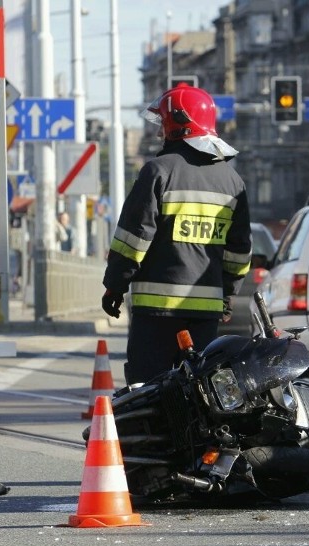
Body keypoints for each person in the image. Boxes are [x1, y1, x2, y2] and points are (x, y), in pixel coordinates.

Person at [102, 83, 252, 385]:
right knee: (199, 391)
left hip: (157, 313)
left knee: (149, 388)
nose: (160, 133)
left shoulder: (158, 172)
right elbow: (239, 254)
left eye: (164, 124)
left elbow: (132, 241)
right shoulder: (233, 181)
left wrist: (115, 286)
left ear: (178, 125)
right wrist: (227, 296)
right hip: (206, 314)